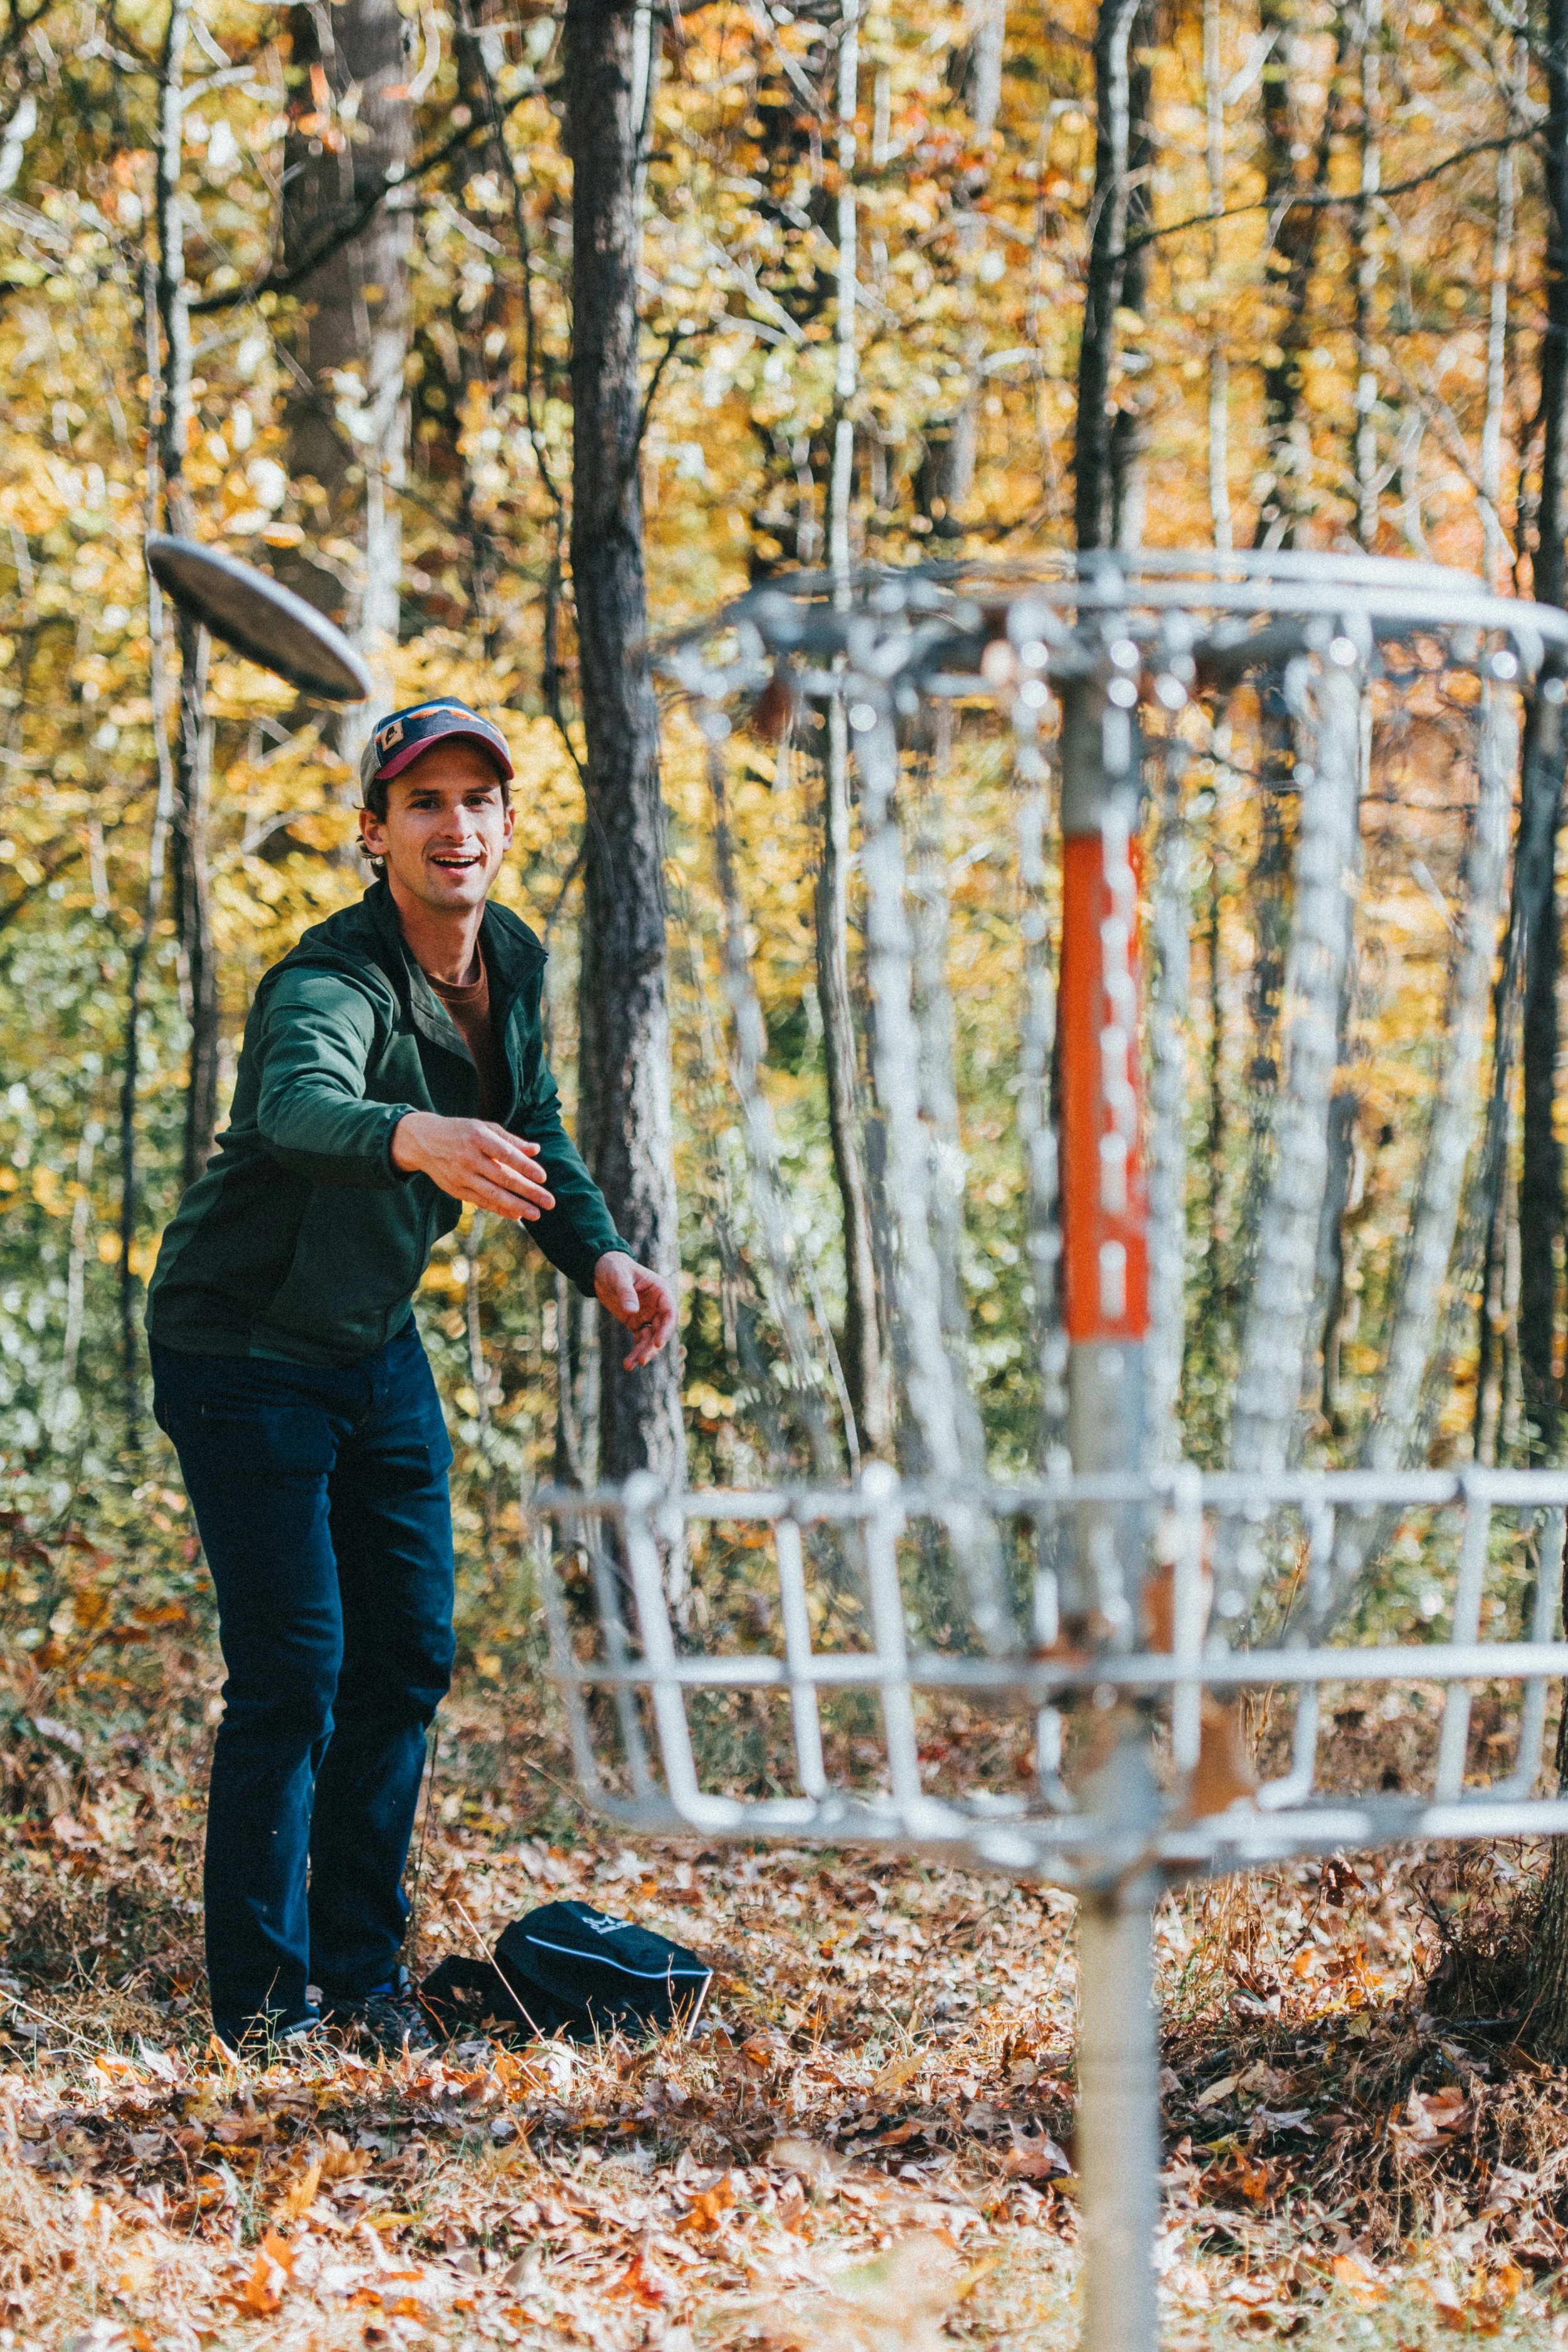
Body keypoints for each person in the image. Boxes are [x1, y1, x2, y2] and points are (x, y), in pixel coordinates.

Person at [145, 697, 677, 2053]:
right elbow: (296, 1105)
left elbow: (534, 1122)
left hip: (371, 1348)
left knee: (408, 1659)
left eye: (475, 801)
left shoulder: (508, 956)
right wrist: (417, 1135)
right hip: (241, 1344)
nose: (454, 825)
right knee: (296, 1675)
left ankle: (364, 1987)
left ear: (504, 825)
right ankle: (265, 2015)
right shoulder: (326, 980)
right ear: (371, 833)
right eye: (422, 803)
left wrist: (600, 1255)